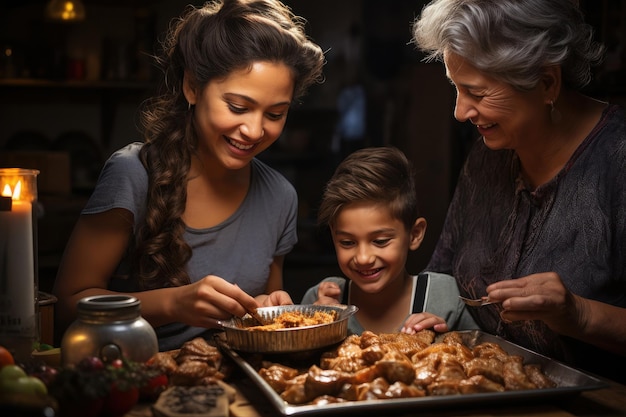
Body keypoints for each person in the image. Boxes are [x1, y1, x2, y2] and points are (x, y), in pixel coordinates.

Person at [53, 0, 325, 351]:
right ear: (193, 87)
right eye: (238, 107)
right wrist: (174, 303)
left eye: (275, 114)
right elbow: (66, 305)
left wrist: (273, 307)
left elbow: (260, 310)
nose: (255, 130)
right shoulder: (134, 174)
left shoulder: (279, 196)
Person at [412, 0, 626, 382]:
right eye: (456, 88)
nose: (460, 112)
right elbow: (444, 271)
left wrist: (579, 314)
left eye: (476, 92)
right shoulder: (487, 153)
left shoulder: (618, 161)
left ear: (546, 83)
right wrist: (431, 315)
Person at [301, 146, 477, 335]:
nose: (363, 258)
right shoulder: (320, 301)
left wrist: (446, 342)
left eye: (380, 241)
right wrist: (315, 329)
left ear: (415, 234)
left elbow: (486, 357)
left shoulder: (445, 297)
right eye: (347, 243)